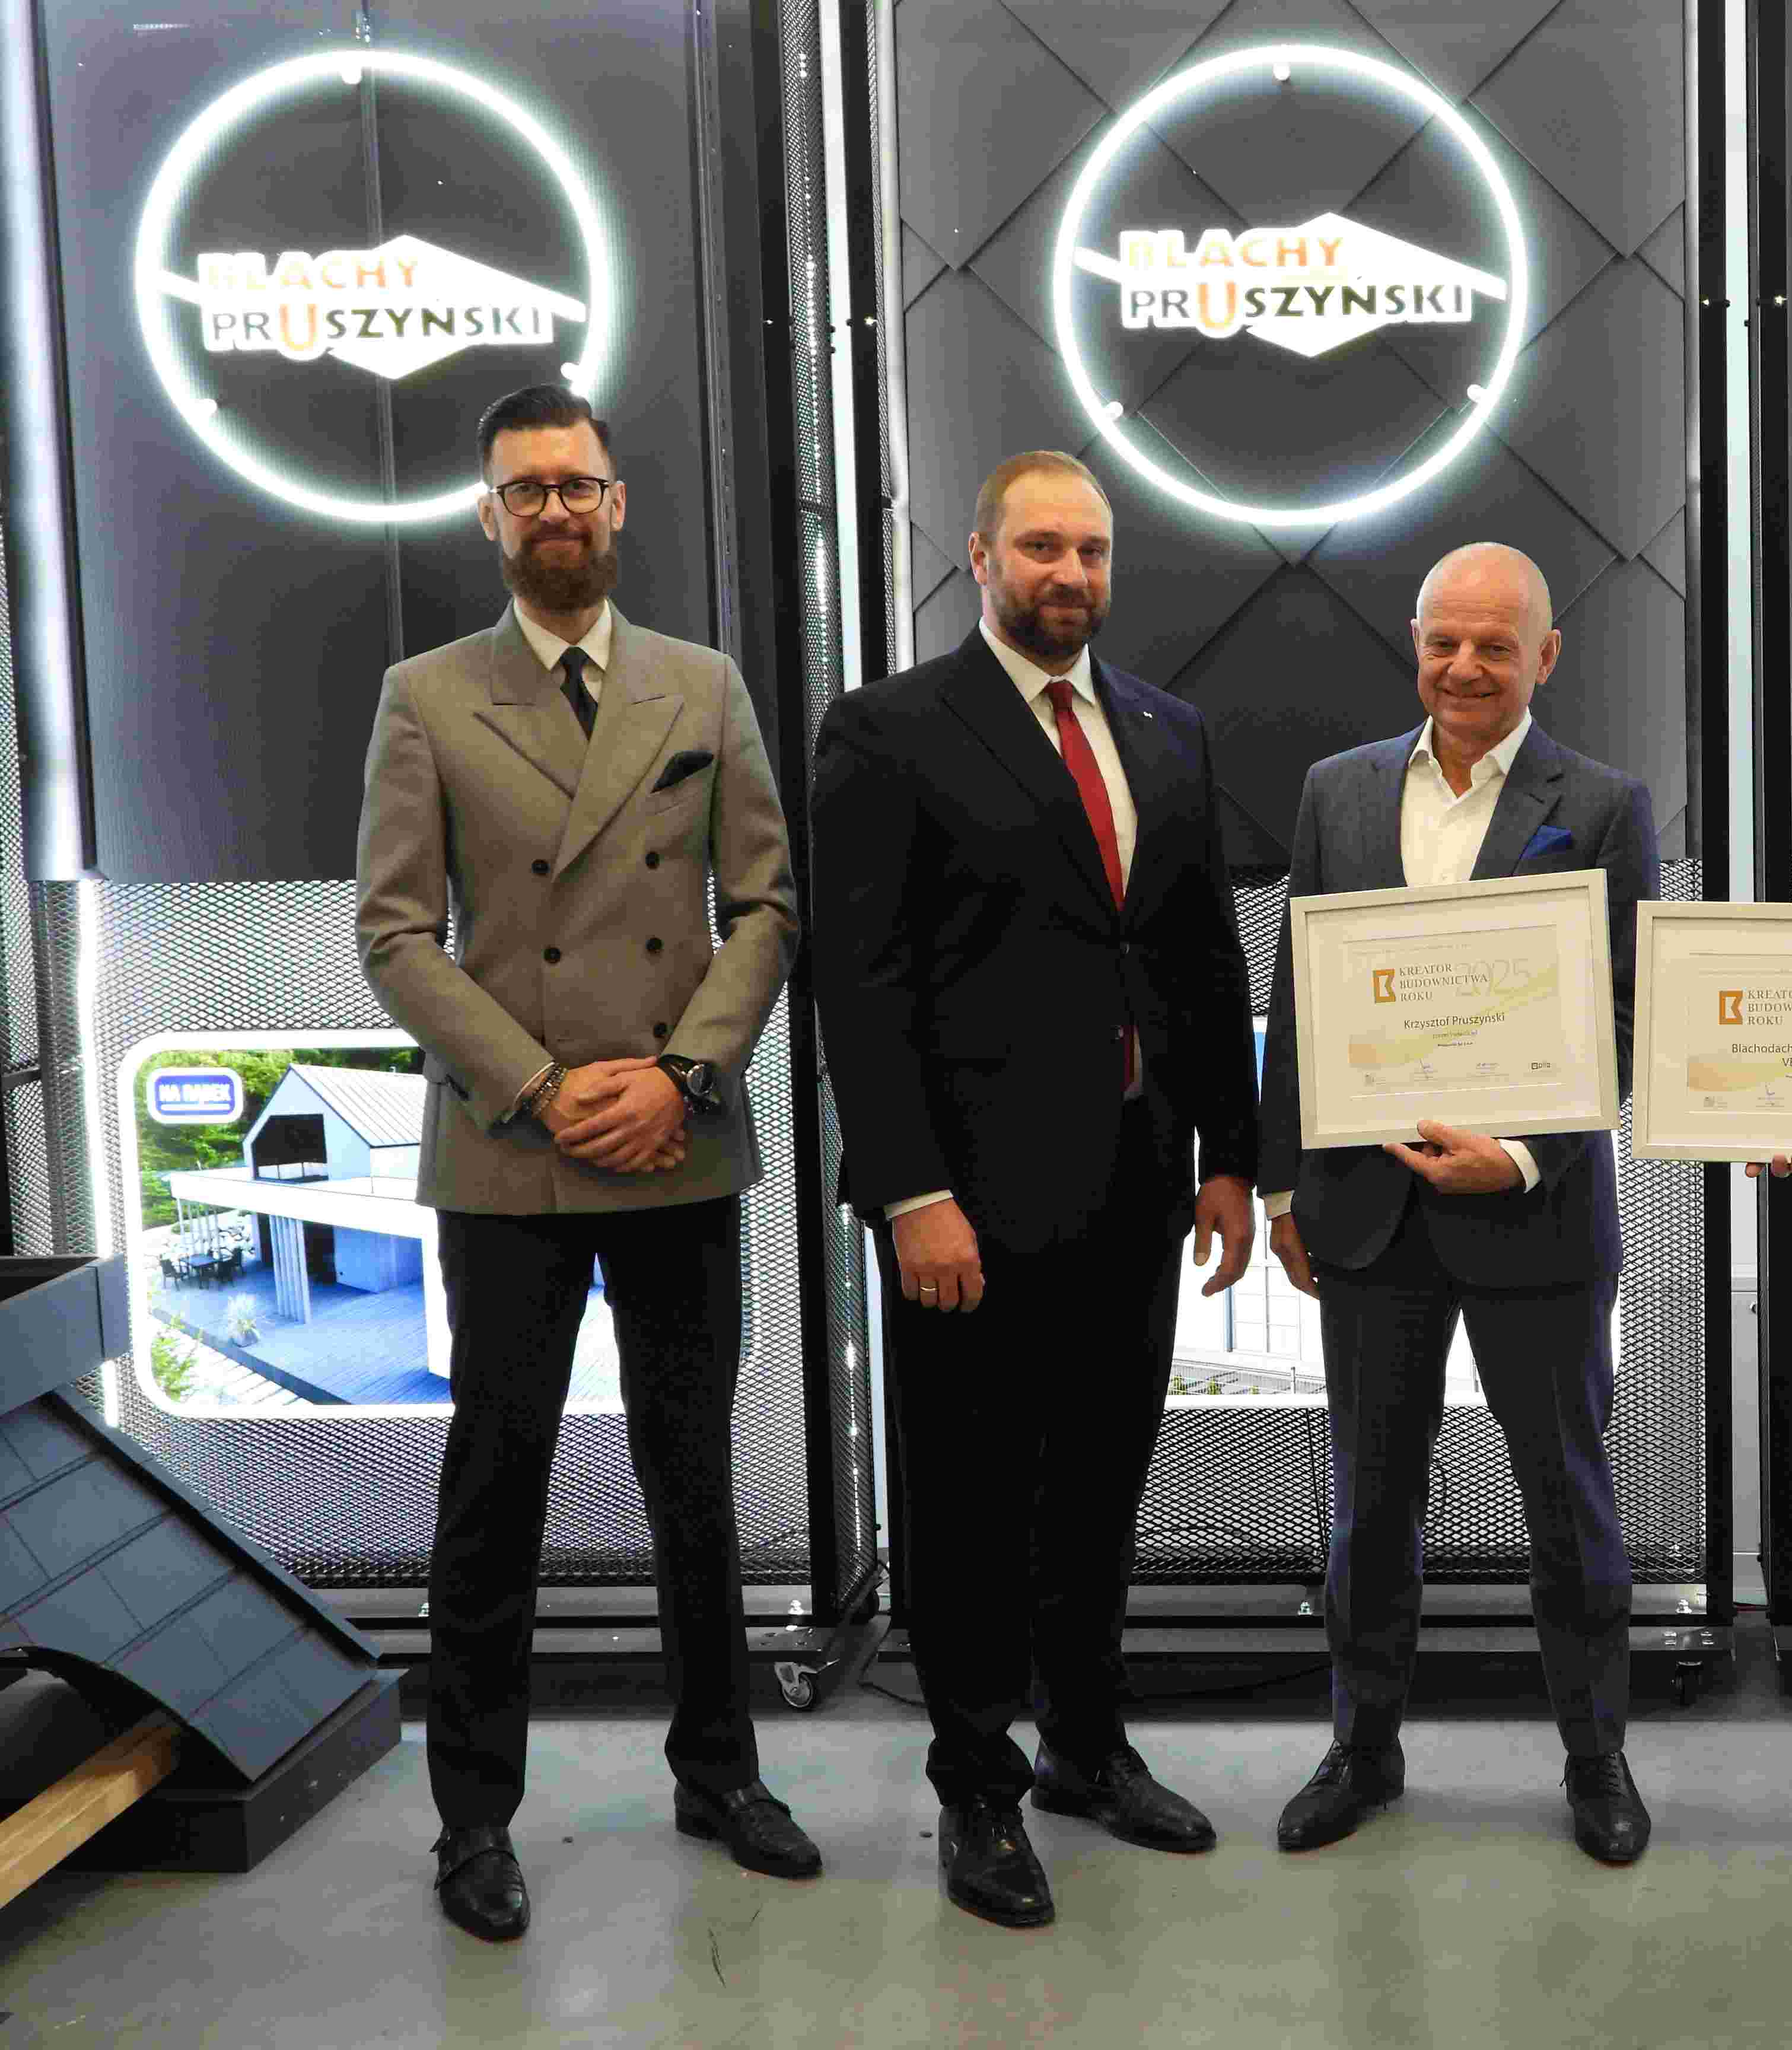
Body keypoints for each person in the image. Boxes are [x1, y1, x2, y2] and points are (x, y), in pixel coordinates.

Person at [355, 383, 813, 1944]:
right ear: (489, 517)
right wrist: (544, 1088)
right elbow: (396, 934)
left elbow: (766, 903)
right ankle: (474, 1818)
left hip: (678, 1137)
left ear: (617, 505)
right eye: (527, 488)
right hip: (514, 1150)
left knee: (697, 1482)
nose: (555, 509)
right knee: (496, 1488)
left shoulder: (703, 686)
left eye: (577, 484)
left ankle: (722, 1773)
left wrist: (683, 1075)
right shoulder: (428, 696)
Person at [810, 451, 1259, 1930]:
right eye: (1043, 548)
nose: (1071, 574)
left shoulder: (1167, 730)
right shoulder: (887, 730)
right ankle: (977, 1785)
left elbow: (1200, 957)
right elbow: (861, 984)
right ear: (980, 557)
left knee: (1101, 1483)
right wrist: (908, 1193)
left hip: (1136, 1184)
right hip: (971, 1206)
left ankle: (1085, 1746)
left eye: (1093, 551)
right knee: (971, 1501)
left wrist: (1233, 1155)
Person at [1258, 542, 1656, 1866]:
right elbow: (1300, 998)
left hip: (1534, 1214)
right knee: (1370, 1506)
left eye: (1496, 645)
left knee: (1568, 1504)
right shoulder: (1338, 791)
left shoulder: (1602, 805)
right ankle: (1362, 1747)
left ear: (1546, 655)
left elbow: (1625, 1009)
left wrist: (1527, 1154)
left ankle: (1596, 1758)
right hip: (1367, 1212)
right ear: (1415, 643)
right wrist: (1281, 1182)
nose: (1467, 668)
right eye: (1445, 641)